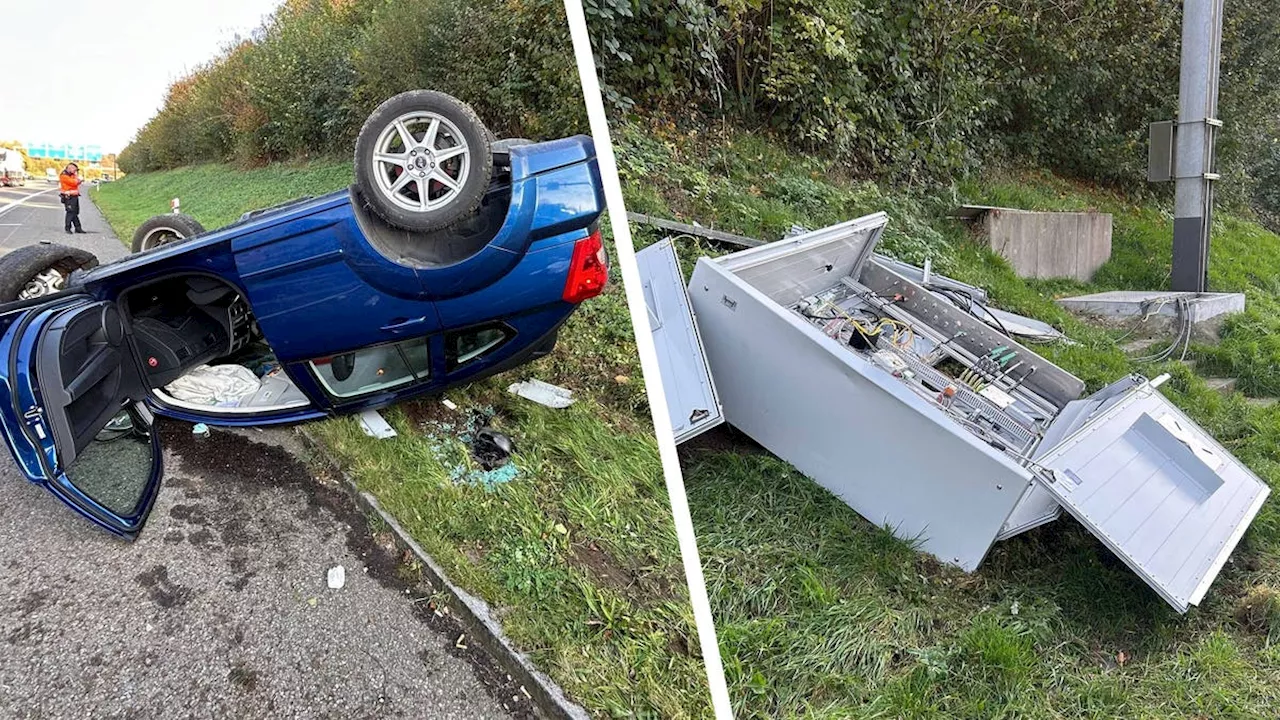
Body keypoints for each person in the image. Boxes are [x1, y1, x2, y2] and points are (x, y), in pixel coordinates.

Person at [59, 162, 87, 234]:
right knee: (70, 212)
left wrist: (77, 179)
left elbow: (77, 181)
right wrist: (78, 180)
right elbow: (74, 182)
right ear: (70, 168)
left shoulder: (72, 175)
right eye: (74, 169)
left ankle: (78, 228)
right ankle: (68, 228)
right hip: (68, 196)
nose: (75, 171)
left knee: (75, 212)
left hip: (74, 195)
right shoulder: (64, 176)